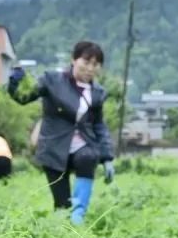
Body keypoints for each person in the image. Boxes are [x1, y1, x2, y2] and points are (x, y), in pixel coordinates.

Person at [8, 42, 116, 224]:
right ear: (74, 60)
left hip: (82, 146)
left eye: (96, 64)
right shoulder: (52, 81)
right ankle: (64, 228)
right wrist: (15, 81)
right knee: (61, 204)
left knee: (88, 157)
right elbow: (23, 97)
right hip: (54, 148)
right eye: (86, 62)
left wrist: (107, 158)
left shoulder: (97, 93)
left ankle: (79, 214)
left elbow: (98, 125)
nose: (90, 68)